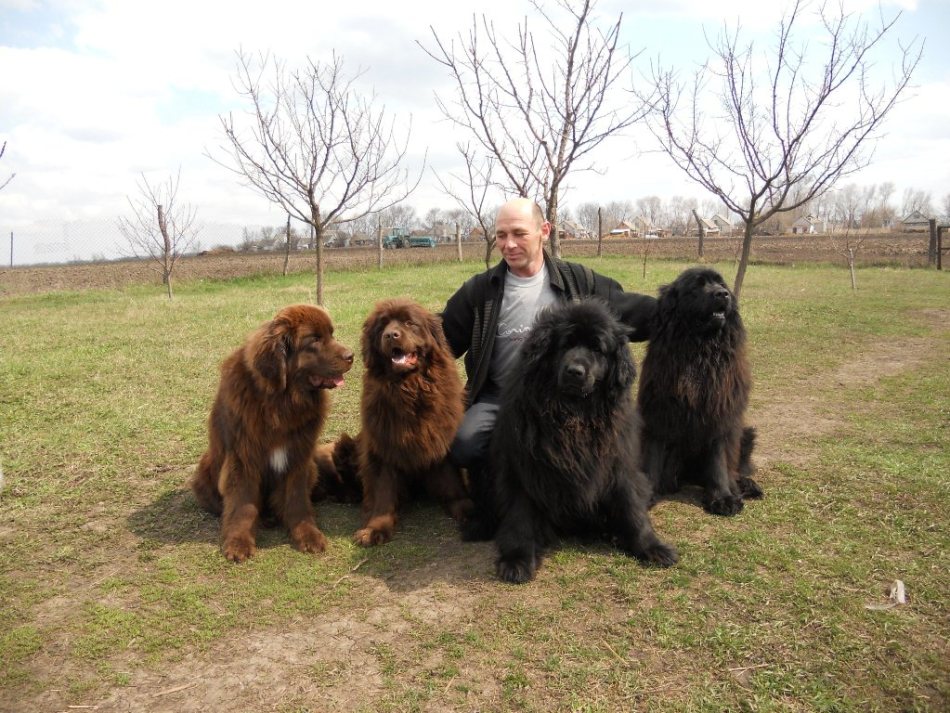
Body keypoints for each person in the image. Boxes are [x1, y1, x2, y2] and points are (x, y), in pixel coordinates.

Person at [440, 197, 657, 537]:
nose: (508, 244)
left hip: (570, 397)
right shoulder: (481, 291)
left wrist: (682, 312)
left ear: (544, 231)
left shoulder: (578, 281)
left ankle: (583, 499)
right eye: (500, 235)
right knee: (466, 442)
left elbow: (628, 311)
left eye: (518, 234)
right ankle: (496, 501)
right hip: (500, 397)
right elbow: (442, 340)